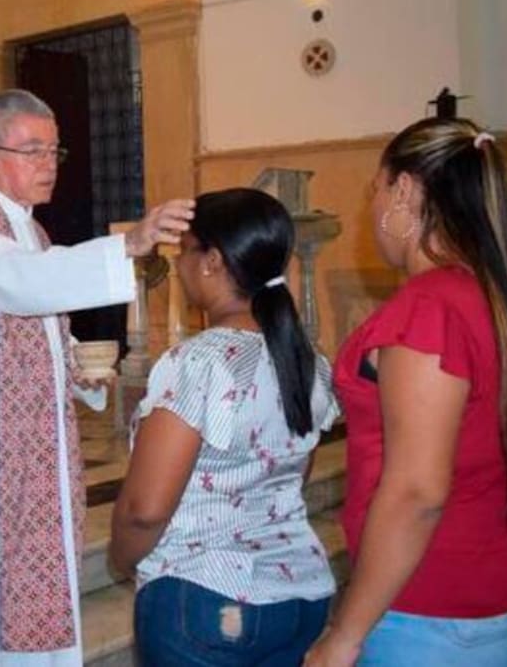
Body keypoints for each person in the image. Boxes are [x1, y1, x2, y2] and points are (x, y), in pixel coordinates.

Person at [0, 88, 194, 666]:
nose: (48, 164)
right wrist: (128, 244)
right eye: (32, 150)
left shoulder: (35, 232)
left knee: (33, 565)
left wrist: (78, 371)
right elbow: (11, 282)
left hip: (37, 439)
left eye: (53, 151)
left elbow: (42, 319)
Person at [304, 117, 507, 666]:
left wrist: (345, 634)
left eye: (375, 189)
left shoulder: (431, 310)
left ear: (405, 190)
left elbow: (417, 493)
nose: (371, 209)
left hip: (437, 613)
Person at [109, 187, 339, 665]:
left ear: (212, 261)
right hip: (300, 592)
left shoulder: (200, 362)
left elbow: (145, 509)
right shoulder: (308, 360)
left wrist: (122, 558)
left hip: (206, 597)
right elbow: (292, 473)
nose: (181, 265)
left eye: (186, 252)